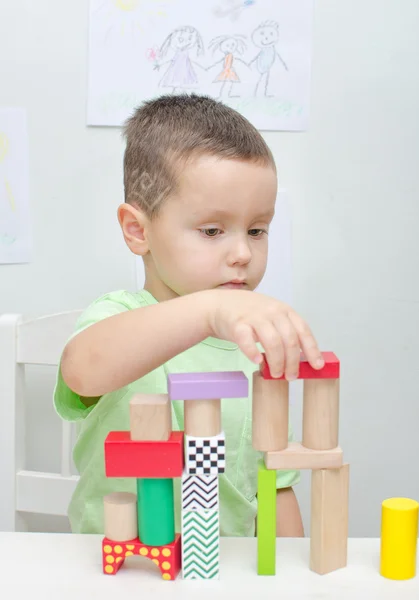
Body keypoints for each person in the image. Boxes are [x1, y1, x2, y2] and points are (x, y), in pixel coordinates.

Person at [54, 93, 325, 538]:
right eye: (213, 231)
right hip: (119, 571)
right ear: (138, 231)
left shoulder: (253, 343)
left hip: (221, 572)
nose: (242, 253)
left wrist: (289, 576)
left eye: (257, 230)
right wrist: (208, 310)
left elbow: (274, 483)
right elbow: (84, 371)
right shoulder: (119, 315)